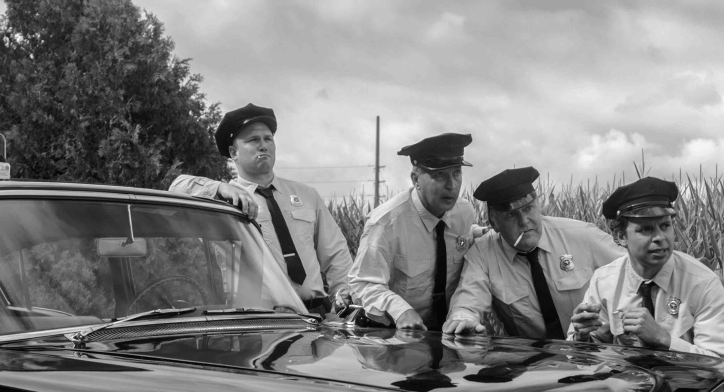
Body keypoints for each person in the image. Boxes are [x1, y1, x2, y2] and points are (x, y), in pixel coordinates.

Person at [168, 103, 352, 315]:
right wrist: (218, 187)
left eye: (268, 139)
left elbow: (335, 252)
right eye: (253, 140)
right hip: (259, 320)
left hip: (316, 315)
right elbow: (176, 187)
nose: (263, 145)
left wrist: (343, 299)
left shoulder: (307, 195)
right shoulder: (223, 201)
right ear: (233, 152)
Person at [443, 167, 625, 339]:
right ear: (494, 222)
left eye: (528, 209)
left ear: (538, 206)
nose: (524, 221)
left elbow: (632, 270)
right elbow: (468, 298)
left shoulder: (582, 236)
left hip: (593, 351)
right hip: (534, 358)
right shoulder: (483, 254)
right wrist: (463, 318)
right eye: (511, 215)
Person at [568, 177, 724, 361]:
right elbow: (585, 355)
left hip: (688, 380)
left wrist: (663, 338)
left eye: (665, 226)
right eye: (646, 229)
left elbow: (723, 364)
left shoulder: (702, 283)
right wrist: (582, 339)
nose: (660, 237)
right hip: (625, 379)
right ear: (621, 236)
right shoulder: (604, 281)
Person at [347, 133, 478, 331]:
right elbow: (362, 285)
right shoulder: (385, 224)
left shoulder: (464, 213)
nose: (451, 185)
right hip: (391, 335)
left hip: (447, 334)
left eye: (456, 173)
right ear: (416, 179)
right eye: (439, 175)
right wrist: (400, 310)